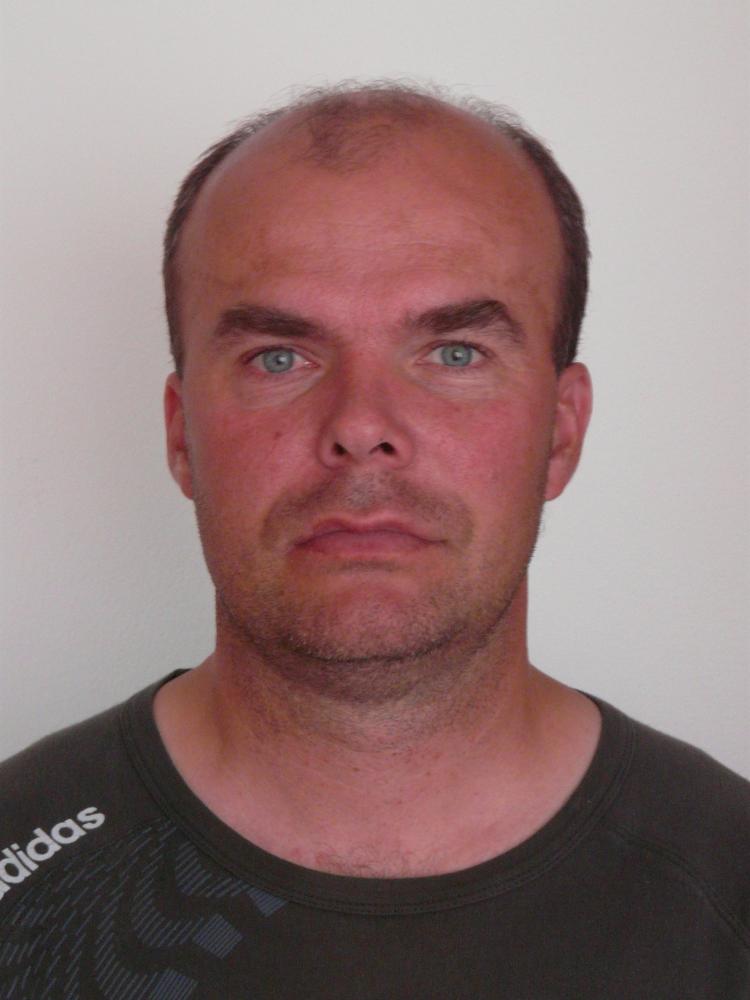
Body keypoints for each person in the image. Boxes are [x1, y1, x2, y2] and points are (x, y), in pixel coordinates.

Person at [0, 83, 747, 998]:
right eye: (279, 357)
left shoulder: (729, 885)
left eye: (455, 353)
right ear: (181, 434)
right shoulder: (17, 874)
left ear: (560, 431)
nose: (360, 426)